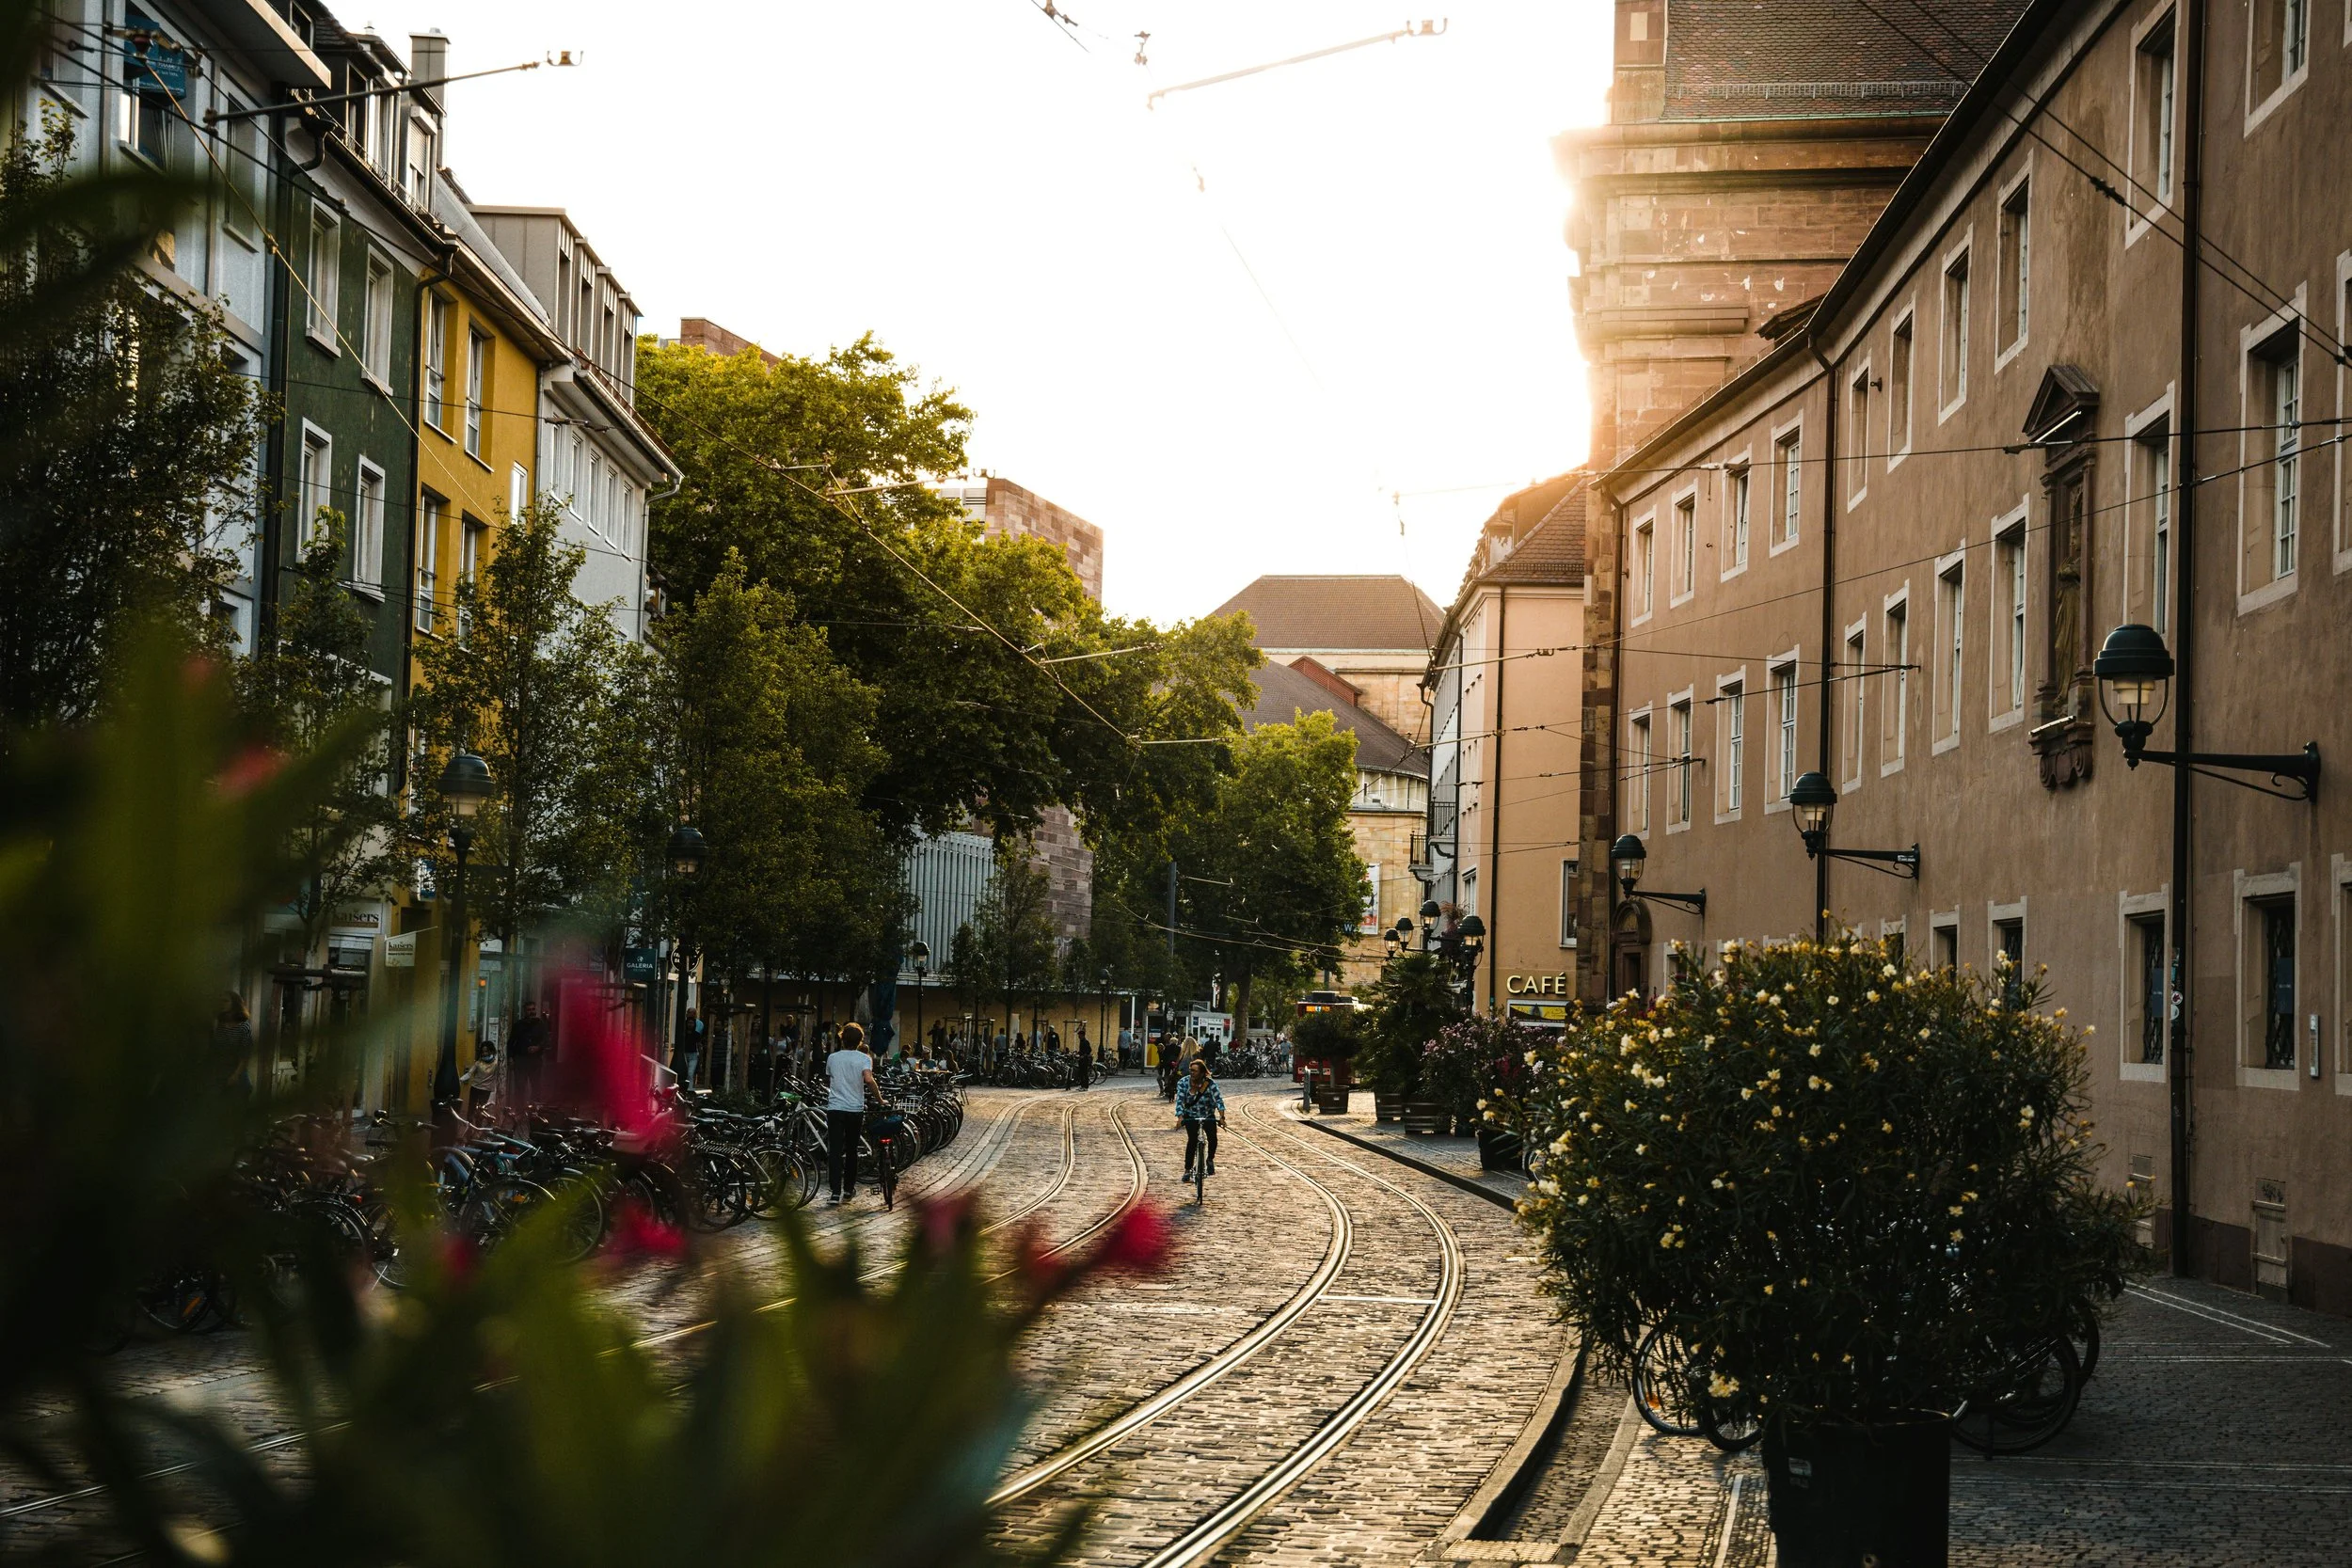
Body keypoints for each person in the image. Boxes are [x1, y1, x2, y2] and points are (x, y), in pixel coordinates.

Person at [826, 1022, 881, 1203]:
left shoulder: (833, 1058)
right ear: (860, 1041)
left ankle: (835, 1192)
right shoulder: (864, 1059)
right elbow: (868, 1080)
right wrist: (880, 1099)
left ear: (842, 1039)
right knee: (851, 1150)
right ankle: (848, 1189)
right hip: (854, 1108)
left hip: (835, 1108)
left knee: (834, 1150)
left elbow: (831, 1078)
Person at [1174, 1057, 1227, 1179]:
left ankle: (1209, 1159)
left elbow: (1218, 1100)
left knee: (1213, 1138)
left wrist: (1222, 1116)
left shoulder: (1210, 1084)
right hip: (1190, 1115)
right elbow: (1180, 1101)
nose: (1192, 1073)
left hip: (1207, 1114)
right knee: (1192, 1141)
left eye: (1195, 1071)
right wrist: (1180, 1117)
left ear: (1202, 1072)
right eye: (1191, 1070)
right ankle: (1187, 1170)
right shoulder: (1183, 1083)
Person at [507, 1001, 552, 1105]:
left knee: (536, 1087)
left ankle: (534, 1112)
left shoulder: (540, 1025)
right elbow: (511, 1043)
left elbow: (546, 1041)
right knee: (520, 1086)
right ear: (525, 1011)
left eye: (533, 1009)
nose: (531, 1012)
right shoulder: (518, 1025)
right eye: (529, 1010)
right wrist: (511, 1058)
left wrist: (538, 1047)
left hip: (535, 1061)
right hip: (521, 1060)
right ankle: (519, 1110)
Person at [214, 990, 253, 1097]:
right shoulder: (220, 1023)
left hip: (235, 1068)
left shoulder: (243, 1026)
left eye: (226, 1001)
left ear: (234, 1003)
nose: (222, 1004)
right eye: (221, 1001)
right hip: (220, 1068)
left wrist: (235, 1075)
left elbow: (245, 1054)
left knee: (243, 1091)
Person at [1074, 1027, 1093, 1091]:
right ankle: (1082, 1086)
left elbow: (1089, 1050)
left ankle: (1085, 1087)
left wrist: (1084, 1056)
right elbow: (1081, 1050)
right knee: (1081, 1073)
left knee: (1085, 1073)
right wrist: (1078, 1053)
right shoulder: (1081, 1041)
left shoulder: (1086, 1042)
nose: (1078, 1036)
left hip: (1085, 1060)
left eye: (1079, 1035)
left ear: (1082, 1035)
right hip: (1081, 1060)